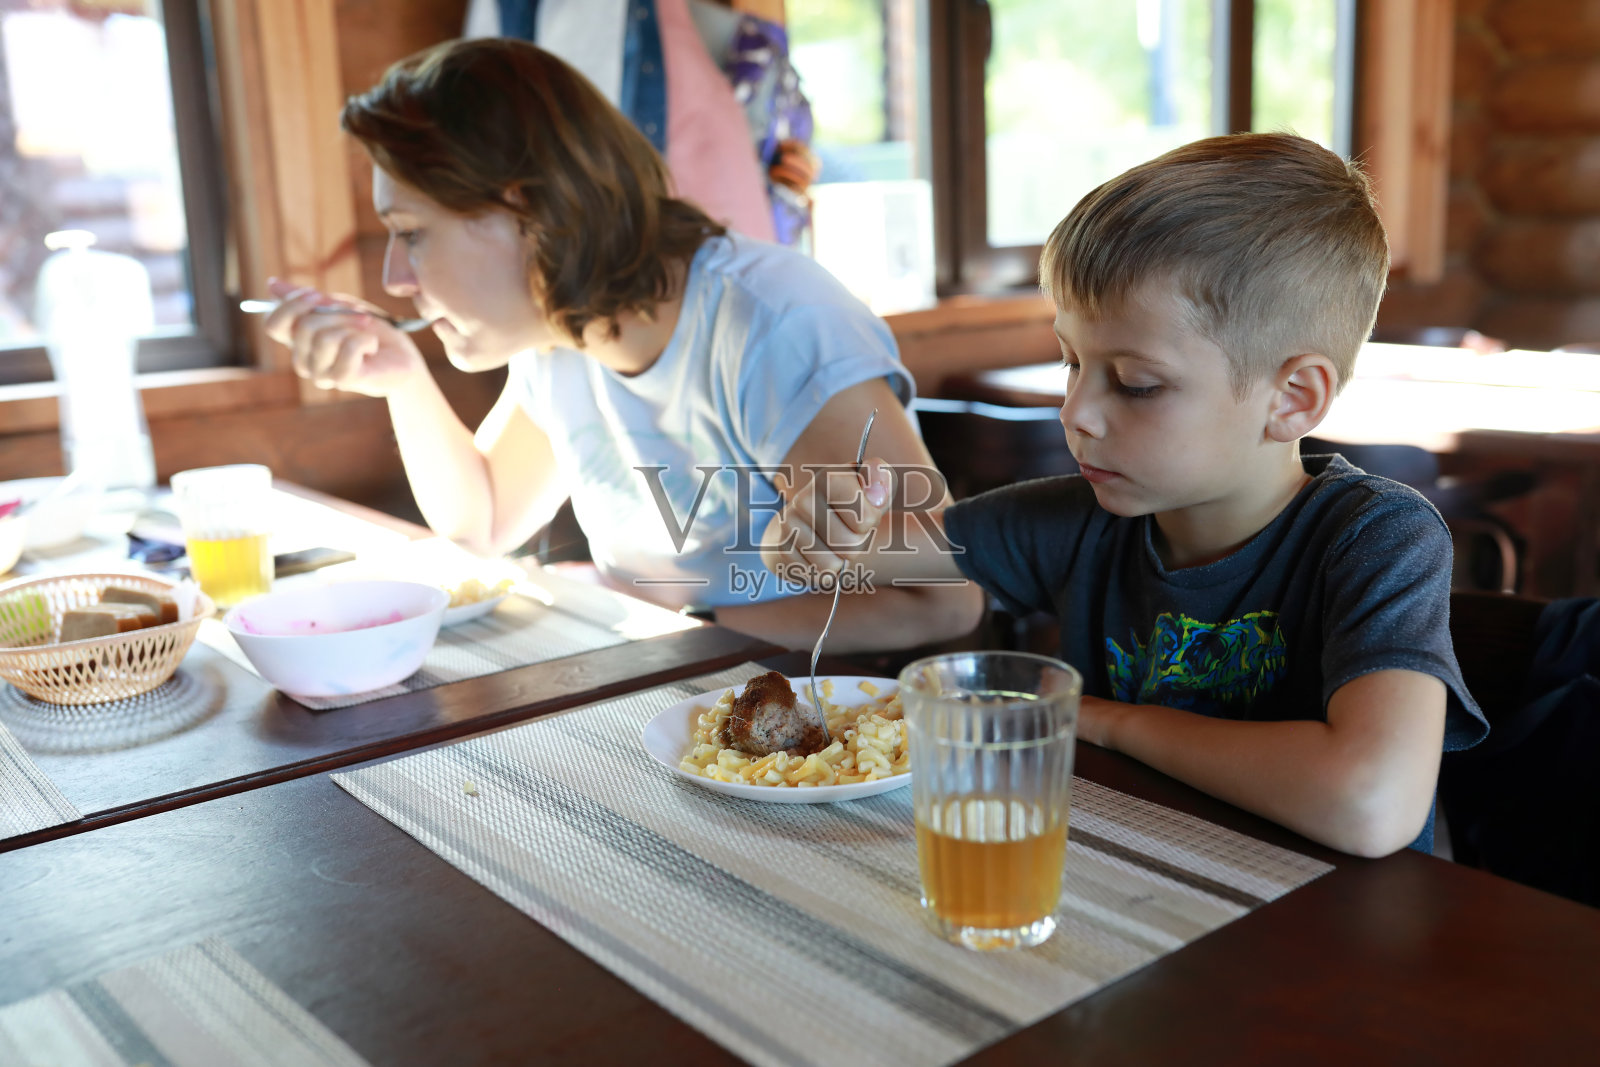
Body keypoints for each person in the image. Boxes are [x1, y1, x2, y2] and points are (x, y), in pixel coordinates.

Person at [763, 133, 1490, 857]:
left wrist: (1101, 719)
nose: (1075, 411)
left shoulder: (1379, 538)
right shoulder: (1079, 520)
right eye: (1071, 362)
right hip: (1137, 882)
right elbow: (831, 560)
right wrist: (813, 531)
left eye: (1137, 383)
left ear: (1293, 398)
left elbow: (1370, 802)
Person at [263, 37, 982, 654]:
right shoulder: (557, 332)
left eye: (412, 234)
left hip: (791, 707)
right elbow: (484, 521)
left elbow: (942, 601)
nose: (394, 279)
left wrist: (687, 624)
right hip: (655, 671)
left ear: (528, 211)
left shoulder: (776, 326)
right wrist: (401, 379)